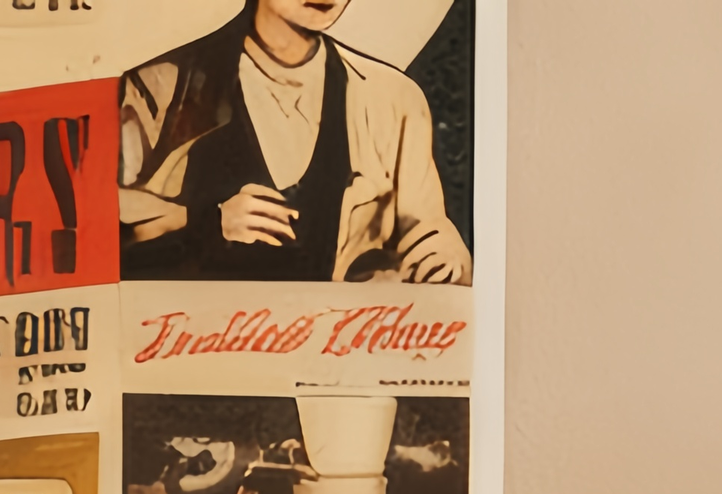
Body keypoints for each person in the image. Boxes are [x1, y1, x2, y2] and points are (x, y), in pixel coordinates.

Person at [119, 0, 473, 287]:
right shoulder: (160, 88)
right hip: (193, 349)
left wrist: (447, 256)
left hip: (337, 351)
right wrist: (206, 224)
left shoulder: (394, 100)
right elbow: (103, 236)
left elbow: (425, 229)